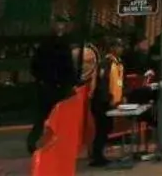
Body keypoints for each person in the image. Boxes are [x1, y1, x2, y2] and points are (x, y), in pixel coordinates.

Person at [28, 19, 78, 154]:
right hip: (57, 86)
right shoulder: (63, 46)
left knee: (43, 116)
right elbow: (68, 67)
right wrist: (71, 82)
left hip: (47, 85)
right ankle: (50, 141)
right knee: (54, 115)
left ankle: (36, 142)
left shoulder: (44, 45)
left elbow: (34, 66)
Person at [88, 38, 125, 168]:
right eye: (118, 46)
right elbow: (103, 83)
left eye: (122, 46)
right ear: (112, 48)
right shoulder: (106, 63)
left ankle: (98, 154)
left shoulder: (117, 63)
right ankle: (97, 157)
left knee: (106, 128)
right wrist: (108, 99)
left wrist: (120, 97)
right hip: (101, 102)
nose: (121, 49)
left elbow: (117, 83)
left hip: (108, 102)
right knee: (102, 129)